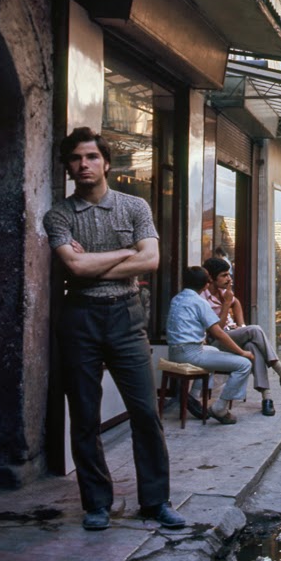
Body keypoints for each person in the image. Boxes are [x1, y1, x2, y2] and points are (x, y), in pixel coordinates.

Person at [43, 127, 185, 531]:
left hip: (126, 315)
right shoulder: (58, 215)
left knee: (144, 411)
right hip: (79, 318)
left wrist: (102, 260)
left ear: (106, 163)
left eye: (91, 157)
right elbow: (74, 267)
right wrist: (128, 251)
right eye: (75, 159)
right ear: (68, 166)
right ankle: (96, 504)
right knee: (84, 415)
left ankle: (156, 501)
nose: (83, 165)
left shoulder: (134, 207)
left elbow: (152, 261)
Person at [201, 258, 281, 416]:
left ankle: (267, 398)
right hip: (216, 341)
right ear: (211, 278)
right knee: (255, 330)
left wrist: (241, 326)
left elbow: (236, 304)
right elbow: (216, 330)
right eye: (224, 275)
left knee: (253, 346)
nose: (229, 279)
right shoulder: (203, 297)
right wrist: (226, 304)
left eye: (229, 274)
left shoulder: (224, 292)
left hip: (232, 334)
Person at [166, 266, 254, 424]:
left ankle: (192, 397)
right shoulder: (200, 302)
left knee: (213, 349)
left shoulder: (177, 298)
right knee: (244, 365)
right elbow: (218, 332)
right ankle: (220, 408)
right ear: (206, 284)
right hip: (191, 353)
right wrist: (242, 352)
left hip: (174, 352)